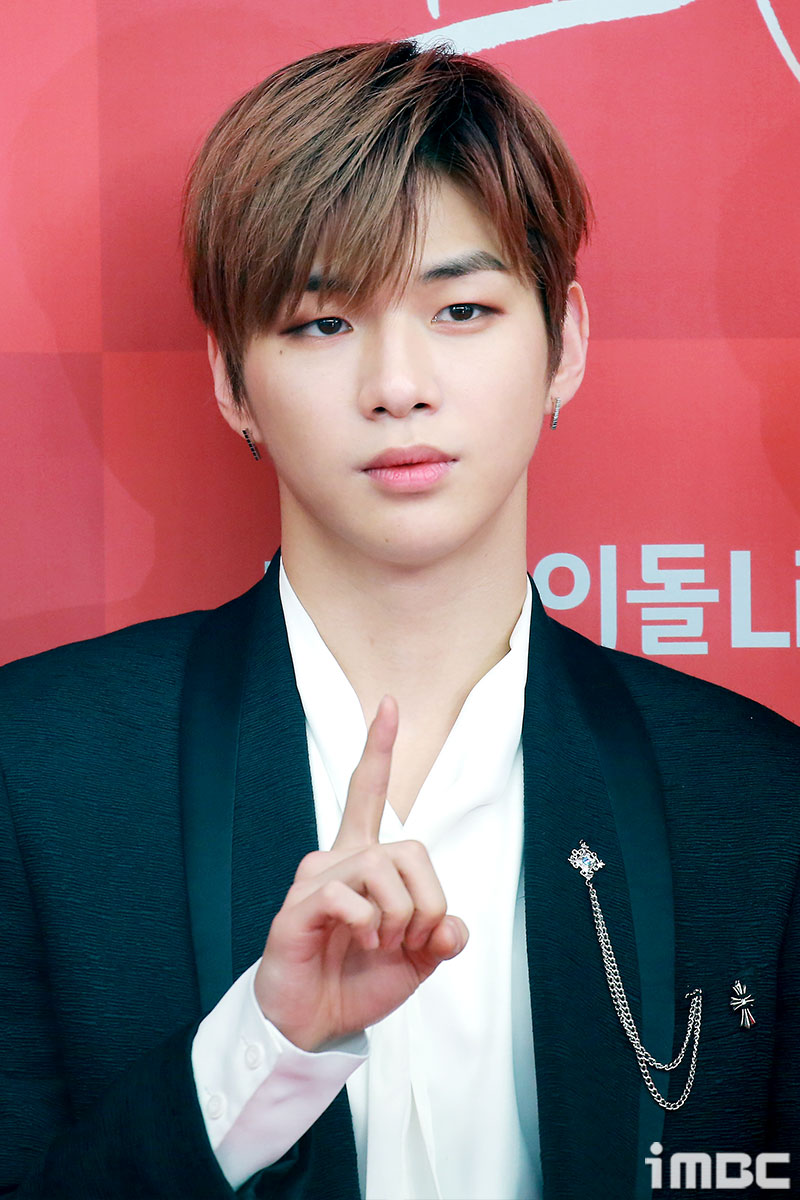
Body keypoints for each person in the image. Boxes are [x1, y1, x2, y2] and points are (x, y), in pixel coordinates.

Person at [1, 38, 798, 1200]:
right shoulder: (38, 769)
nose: (396, 385)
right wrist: (266, 1051)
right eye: (323, 324)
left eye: (461, 309)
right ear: (230, 380)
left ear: (563, 344)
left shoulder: (752, 797)